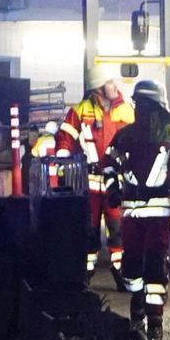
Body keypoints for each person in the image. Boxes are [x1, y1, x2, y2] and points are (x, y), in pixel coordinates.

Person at [103, 81, 170, 340]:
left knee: (142, 265)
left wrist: (113, 190)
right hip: (149, 214)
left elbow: (108, 165)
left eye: (140, 105)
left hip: (141, 214)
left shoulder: (131, 135)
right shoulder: (167, 135)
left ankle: (145, 316)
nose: (139, 111)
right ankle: (148, 318)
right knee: (146, 265)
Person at [56, 67, 134, 280]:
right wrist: (63, 158)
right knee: (88, 229)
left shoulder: (127, 111)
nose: (115, 86)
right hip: (88, 183)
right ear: (98, 88)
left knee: (118, 228)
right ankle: (87, 270)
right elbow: (65, 137)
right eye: (110, 82)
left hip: (116, 183)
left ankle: (120, 270)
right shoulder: (80, 111)